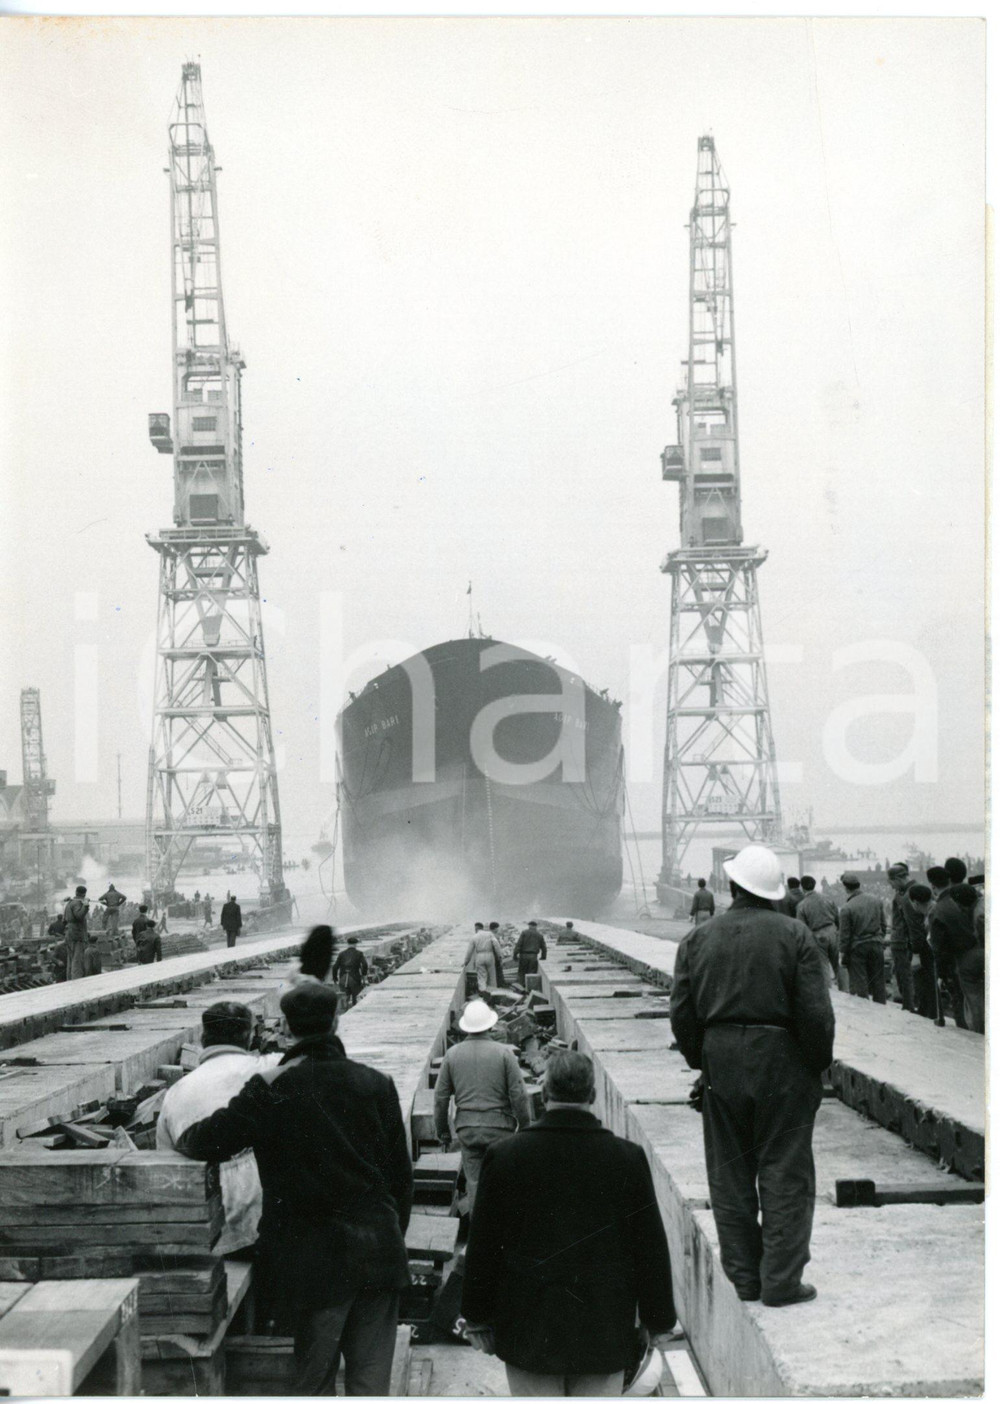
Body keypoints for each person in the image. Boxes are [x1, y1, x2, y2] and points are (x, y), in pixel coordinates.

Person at [177, 982, 412, 1396]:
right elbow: (400, 1179)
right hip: (380, 1252)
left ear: (285, 1026)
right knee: (371, 1383)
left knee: (313, 1382)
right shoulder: (377, 1083)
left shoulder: (272, 1087)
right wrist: (389, 1234)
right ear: (336, 1021)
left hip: (315, 1260)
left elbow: (205, 1141)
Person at [670, 843, 834, 1307]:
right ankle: (781, 1282)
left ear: (732, 885)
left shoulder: (697, 941)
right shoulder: (795, 934)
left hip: (721, 1059)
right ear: (773, 892)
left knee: (729, 1174)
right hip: (782, 1058)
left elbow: (682, 1014)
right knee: (785, 1168)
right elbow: (816, 1015)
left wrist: (705, 1064)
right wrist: (814, 1066)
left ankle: (744, 1279)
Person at [461, 1050, 676, 1395]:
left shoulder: (504, 1156)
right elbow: (649, 1246)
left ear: (544, 1095)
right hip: (603, 1333)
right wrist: (658, 1319)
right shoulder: (627, 1158)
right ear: (591, 1096)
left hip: (528, 1334)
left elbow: (483, 1245)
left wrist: (476, 1317)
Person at [160, 1002, 281, 1255]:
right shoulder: (271, 1068)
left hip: (214, 1233)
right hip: (272, 1223)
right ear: (249, 1037)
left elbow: (166, 1169)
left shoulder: (175, 1093)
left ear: (204, 1039)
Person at [434, 998, 530, 1213]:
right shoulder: (505, 1054)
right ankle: (504, 1237)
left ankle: (479, 1238)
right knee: (504, 1184)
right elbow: (519, 1096)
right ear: (490, 1025)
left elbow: (440, 1099)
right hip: (501, 1130)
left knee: (476, 1185)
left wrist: (443, 1133)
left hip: (467, 1130)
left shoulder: (452, 1055)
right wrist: (525, 1128)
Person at [929, 859, 984, 1033]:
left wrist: (941, 972)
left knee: (967, 1000)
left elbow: (938, 946)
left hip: (962, 958)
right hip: (978, 951)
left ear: (933, 886)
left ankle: (974, 1034)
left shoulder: (942, 907)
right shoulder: (971, 894)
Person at [838, 874, 887, 1003]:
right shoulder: (876, 900)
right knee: (878, 983)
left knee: (860, 984)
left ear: (846, 888)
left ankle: (865, 1014)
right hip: (876, 944)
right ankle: (882, 1013)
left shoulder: (846, 908)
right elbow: (883, 925)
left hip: (858, 948)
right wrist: (879, 938)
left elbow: (844, 936)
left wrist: (843, 954)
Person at [886, 862, 921, 1012]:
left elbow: (911, 924)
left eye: (891, 882)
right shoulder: (909, 891)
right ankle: (909, 1005)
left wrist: (915, 951)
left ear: (897, 879)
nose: (892, 887)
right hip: (902, 941)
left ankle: (909, 1008)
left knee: (904, 977)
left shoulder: (906, 895)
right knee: (903, 976)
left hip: (902, 943)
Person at [795, 876, 840, 987]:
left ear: (802, 887)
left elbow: (802, 927)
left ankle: (829, 992)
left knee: (823, 966)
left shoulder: (802, 905)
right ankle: (846, 990)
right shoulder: (828, 898)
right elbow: (837, 917)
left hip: (818, 934)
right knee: (837, 964)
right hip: (832, 930)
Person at [464, 922, 504, 991]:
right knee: (492, 976)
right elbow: (496, 945)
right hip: (490, 955)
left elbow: (469, 951)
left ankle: (483, 992)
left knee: (481, 976)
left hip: (479, 956)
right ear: (482, 928)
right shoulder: (490, 934)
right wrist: (499, 956)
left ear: (476, 929)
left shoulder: (474, 937)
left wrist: (466, 962)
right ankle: (493, 992)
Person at [333, 935, 368, 1008]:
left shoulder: (341, 954)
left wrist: (335, 979)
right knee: (356, 999)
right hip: (354, 978)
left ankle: (345, 1012)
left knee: (345, 998)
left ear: (347, 944)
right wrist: (364, 975)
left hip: (343, 978)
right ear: (355, 944)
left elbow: (335, 967)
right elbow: (365, 964)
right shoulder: (359, 953)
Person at [63, 886, 89, 981]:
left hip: (69, 933)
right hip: (77, 934)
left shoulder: (70, 903)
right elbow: (79, 916)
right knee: (77, 961)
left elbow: (64, 920)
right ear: (84, 894)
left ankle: (70, 980)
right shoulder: (78, 903)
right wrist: (86, 906)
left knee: (70, 960)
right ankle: (77, 983)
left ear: (76, 892)